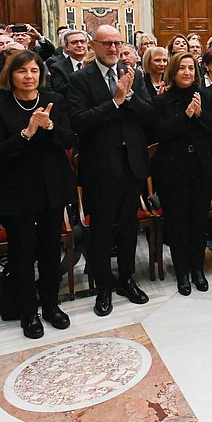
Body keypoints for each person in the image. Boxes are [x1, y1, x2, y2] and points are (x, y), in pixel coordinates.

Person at [67, 26, 158, 316]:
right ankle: (103, 286)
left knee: (128, 226)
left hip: (131, 162)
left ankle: (127, 279)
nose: (113, 48)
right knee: (102, 228)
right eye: (106, 43)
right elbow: (79, 121)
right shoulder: (80, 79)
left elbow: (151, 114)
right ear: (94, 45)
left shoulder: (134, 75)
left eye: (117, 43)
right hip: (100, 166)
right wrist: (115, 102)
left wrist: (130, 98)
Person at [0, 50, 75, 338]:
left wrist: (49, 126)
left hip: (51, 187)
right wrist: (27, 132)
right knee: (21, 254)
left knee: (50, 251)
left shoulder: (54, 101)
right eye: (22, 71)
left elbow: (69, 140)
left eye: (34, 71)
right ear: (10, 75)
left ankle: (50, 304)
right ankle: (28, 312)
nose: (29, 77)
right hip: (17, 190)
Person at [152, 52, 212, 294]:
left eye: (191, 68)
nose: (187, 72)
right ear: (173, 71)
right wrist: (187, 116)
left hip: (200, 167)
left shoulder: (205, 96)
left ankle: (197, 269)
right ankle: (182, 272)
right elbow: (160, 133)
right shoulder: (162, 100)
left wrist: (200, 114)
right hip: (173, 170)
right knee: (178, 222)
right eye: (182, 68)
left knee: (198, 221)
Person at [47, 29, 89, 96]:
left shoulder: (94, 63)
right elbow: (60, 90)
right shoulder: (57, 67)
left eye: (82, 41)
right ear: (66, 47)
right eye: (74, 42)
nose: (79, 45)